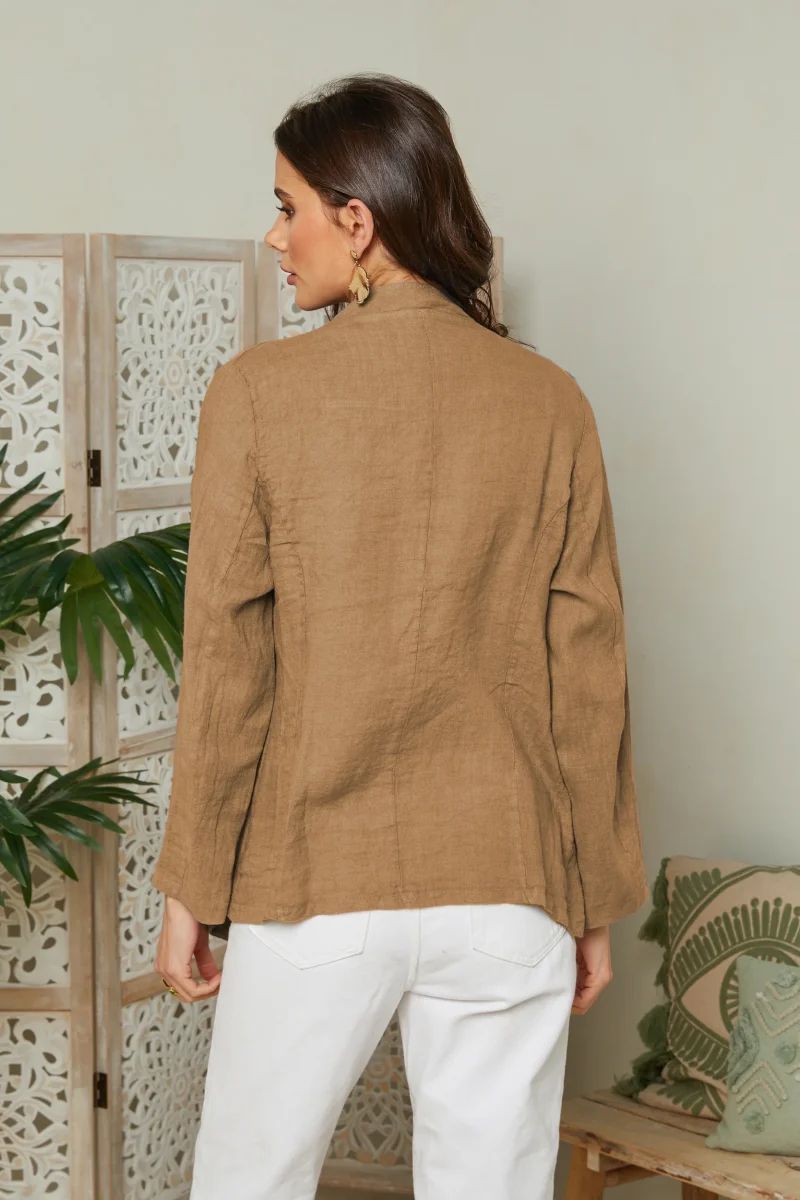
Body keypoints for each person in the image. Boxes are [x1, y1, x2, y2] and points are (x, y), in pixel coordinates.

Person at [152, 72, 649, 1200]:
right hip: (507, 881)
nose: (274, 237)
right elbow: (588, 675)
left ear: (357, 220)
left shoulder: (257, 394)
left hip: (314, 876)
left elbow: (229, 665)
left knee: (247, 1184)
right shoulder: (550, 400)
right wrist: (589, 898)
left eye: (287, 208)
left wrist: (191, 886)